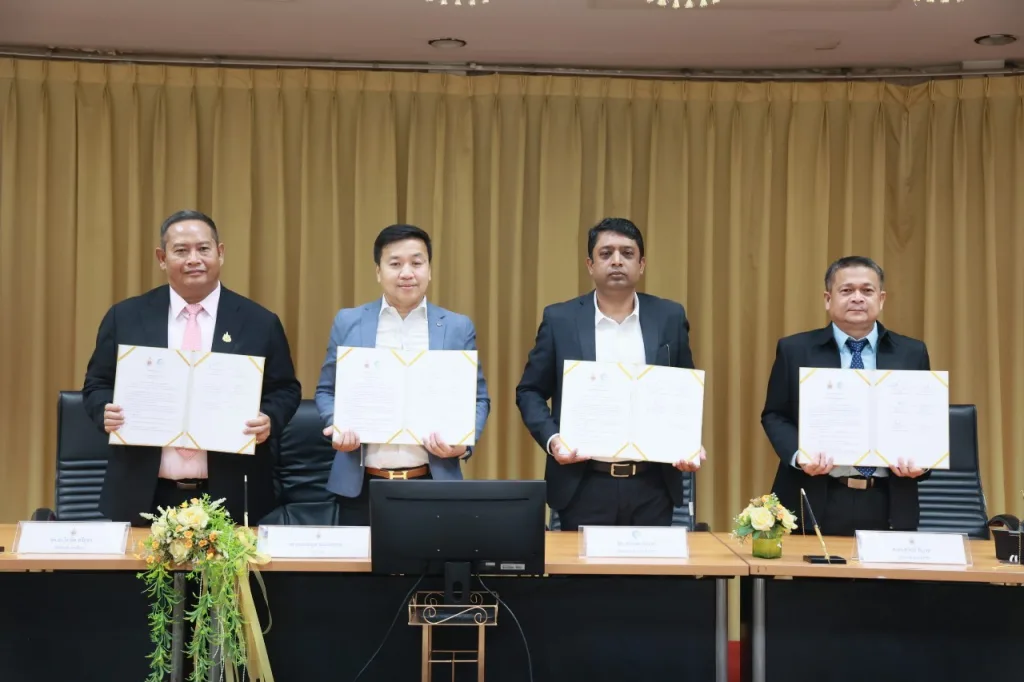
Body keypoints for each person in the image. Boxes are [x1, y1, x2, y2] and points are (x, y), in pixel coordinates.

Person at [82, 210, 302, 526]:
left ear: (220, 253)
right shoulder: (126, 317)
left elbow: (285, 390)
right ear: (162, 258)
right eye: (181, 251)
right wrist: (104, 409)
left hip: (231, 492)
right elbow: (97, 384)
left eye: (203, 249)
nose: (193, 259)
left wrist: (269, 418)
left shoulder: (259, 322)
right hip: (142, 492)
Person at [516, 217, 706, 531]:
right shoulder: (560, 319)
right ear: (590, 265)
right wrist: (553, 440)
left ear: (642, 264)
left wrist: (686, 441)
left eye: (627, 253)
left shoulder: (669, 316)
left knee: (651, 565)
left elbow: (684, 388)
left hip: (653, 484)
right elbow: (530, 391)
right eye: (606, 254)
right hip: (584, 483)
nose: (617, 260)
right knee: (583, 566)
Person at [314, 224, 490, 526]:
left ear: (429, 270)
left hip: (432, 482)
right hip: (361, 486)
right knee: (361, 559)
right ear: (378, 271)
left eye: (416, 263)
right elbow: (326, 391)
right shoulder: (349, 321)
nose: (406, 273)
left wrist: (464, 443)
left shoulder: (457, 327)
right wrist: (337, 424)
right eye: (395, 264)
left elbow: (479, 398)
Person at [761, 256, 931, 536]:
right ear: (828, 299)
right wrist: (799, 455)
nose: (857, 298)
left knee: (886, 567)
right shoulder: (795, 350)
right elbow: (775, 414)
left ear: (881, 299)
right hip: (816, 492)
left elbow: (922, 418)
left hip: (889, 497)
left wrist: (921, 462)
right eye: (847, 290)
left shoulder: (911, 353)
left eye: (867, 290)